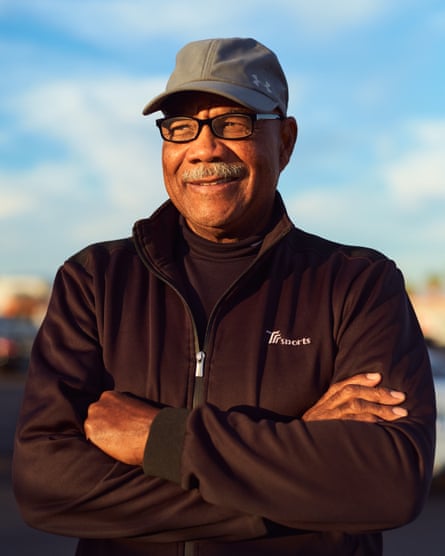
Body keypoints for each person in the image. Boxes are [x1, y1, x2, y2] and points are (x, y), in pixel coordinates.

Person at [13, 37, 436, 556]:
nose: (204, 148)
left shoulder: (359, 283)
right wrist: (297, 463)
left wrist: (161, 439)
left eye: (233, 123)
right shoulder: (95, 281)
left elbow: (387, 482)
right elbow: (44, 485)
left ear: (286, 140)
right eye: (181, 126)